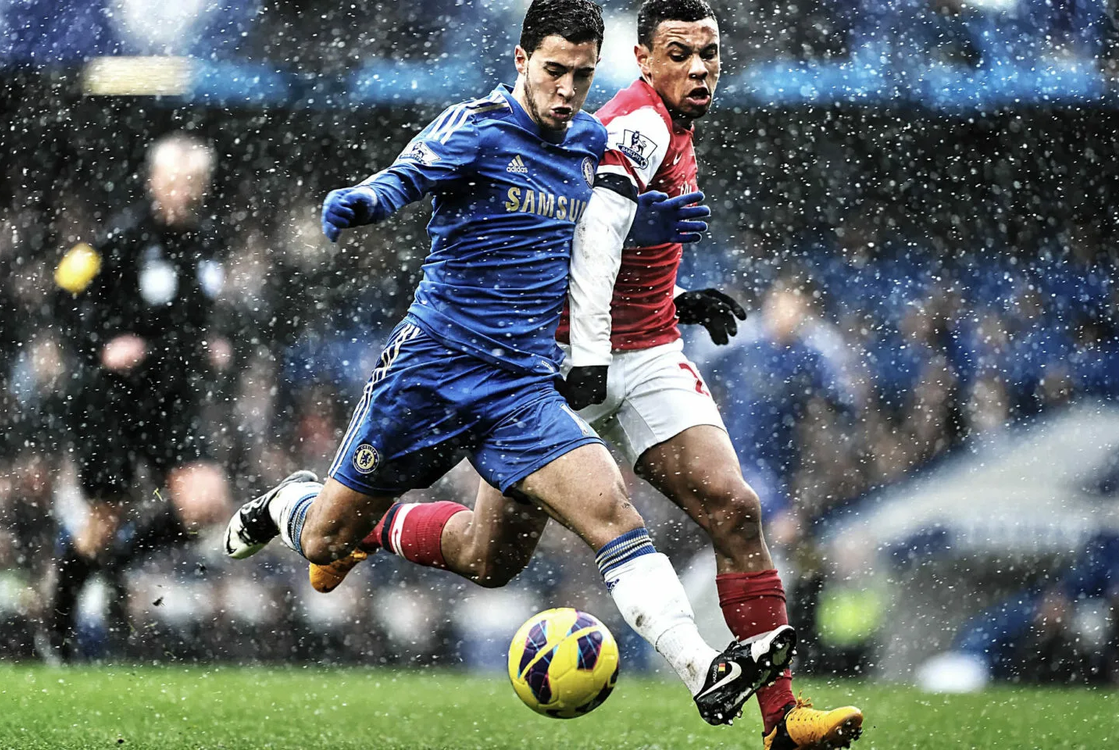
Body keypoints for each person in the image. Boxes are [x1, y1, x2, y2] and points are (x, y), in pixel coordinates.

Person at [308, 2, 863, 747]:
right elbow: (591, 239)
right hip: (556, 361)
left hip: (618, 356)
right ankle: (354, 525)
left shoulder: (591, 138)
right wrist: (368, 199)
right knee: (483, 556)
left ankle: (774, 713)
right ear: (643, 59)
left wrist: (671, 295)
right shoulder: (620, 127)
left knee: (728, 508)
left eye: (709, 54)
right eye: (680, 54)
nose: (699, 69)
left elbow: (571, 233)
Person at [44, 133, 233, 661]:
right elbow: (62, 293)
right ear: (154, 182)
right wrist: (100, 345)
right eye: (174, 180)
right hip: (110, 398)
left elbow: (201, 312)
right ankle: (58, 627)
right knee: (104, 517)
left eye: (193, 181)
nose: (183, 190)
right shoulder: (119, 239)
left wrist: (215, 342)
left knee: (205, 505)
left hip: (171, 396)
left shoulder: (206, 242)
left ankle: (121, 563)